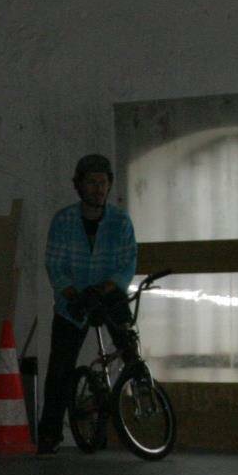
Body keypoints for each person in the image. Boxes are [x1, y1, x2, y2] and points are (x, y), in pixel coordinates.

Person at [38, 152, 139, 455]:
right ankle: (49, 434)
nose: (97, 189)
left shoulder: (120, 221)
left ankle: (140, 400)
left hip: (108, 295)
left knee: (130, 351)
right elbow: (55, 265)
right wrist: (74, 294)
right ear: (79, 185)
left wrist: (103, 289)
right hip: (73, 302)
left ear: (109, 185)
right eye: (91, 182)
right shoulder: (64, 221)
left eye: (102, 183)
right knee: (60, 368)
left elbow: (126, 264)